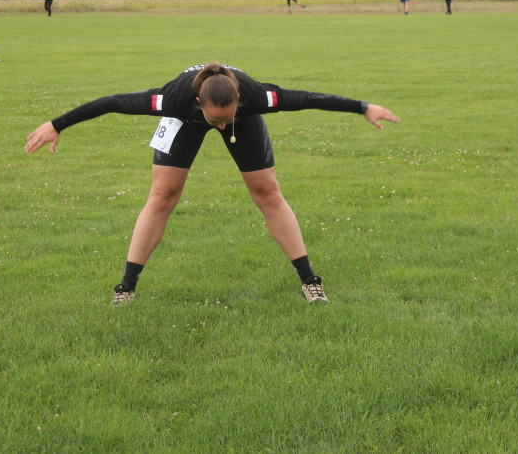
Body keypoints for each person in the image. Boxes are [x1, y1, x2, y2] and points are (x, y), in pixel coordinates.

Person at [25, 62, 400, 305]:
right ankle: (126, 287)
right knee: (162, 196)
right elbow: (111, 102)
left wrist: (362, 107)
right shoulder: (172, 101)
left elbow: (306, 98)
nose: (221, 125)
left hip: (241, 117)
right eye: (215, 119)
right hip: (183, 122)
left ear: (238, 101)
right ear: (200, 103)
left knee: (268, 192)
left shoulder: (253, 97)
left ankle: (309, 280)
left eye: (227, 118)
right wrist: (56, 124)